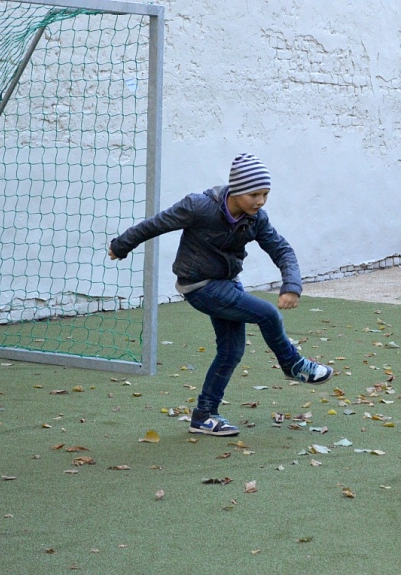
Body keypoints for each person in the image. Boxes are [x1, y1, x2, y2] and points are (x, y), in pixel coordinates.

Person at [108, 153, 333, 437]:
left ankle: (204, 416)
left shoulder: (256, 219)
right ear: (237, 189)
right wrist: (121, 245)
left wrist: (292, 284)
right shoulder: (198, 207)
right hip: (199, 286)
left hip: (226, 284)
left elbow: (282, 250)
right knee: (268, 314)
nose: (261, 201)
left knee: (231, 351)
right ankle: (293, 365)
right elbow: (155, 224)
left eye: (266, 194)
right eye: (255, 194)